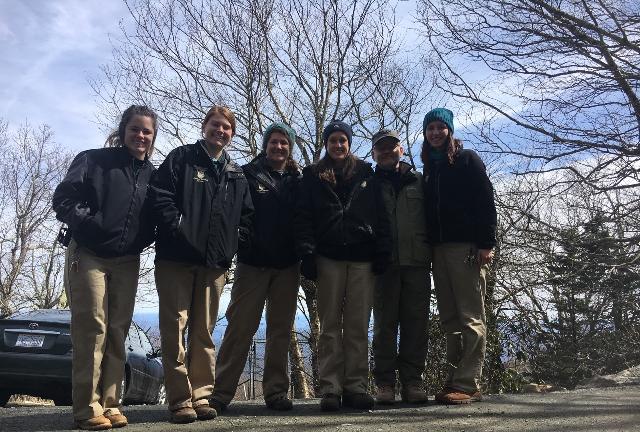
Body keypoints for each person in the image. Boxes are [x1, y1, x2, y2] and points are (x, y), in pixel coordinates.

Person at [52, 105, 158, 430]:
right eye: (135, 129)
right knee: (92, 327)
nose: (140, 135)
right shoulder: (93, 160)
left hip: (127, 260)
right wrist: (91, 225)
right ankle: (86, 408)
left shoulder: (151, 175)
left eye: (147, 131)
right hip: (88, 254)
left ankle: (111, 404)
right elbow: (63, 199)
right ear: (124, 130)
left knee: (117, 331)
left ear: (152, 137)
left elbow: (155, 217)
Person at [150, 105, 253, 423]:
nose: (220, 131)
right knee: (174, 328)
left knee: (204, 332)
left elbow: (246, 216)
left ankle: (201, 396)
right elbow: (159, 195)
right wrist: (178, 227)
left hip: (215, 264)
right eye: (215, 125)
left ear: (232, 134)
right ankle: (180, 400)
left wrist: (231, 246)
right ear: (204, 126)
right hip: (176, 260)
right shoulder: (181, 158)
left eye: (226, 127)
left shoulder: (235, 173)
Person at [295, 120, 391, 411]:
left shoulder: (366, 174)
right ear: (326, 144)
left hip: (362, 259)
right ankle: (330, 389)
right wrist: (307, 254)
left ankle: (357, 387)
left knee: (358, 326)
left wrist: (382, 250)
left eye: (343, 140)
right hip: (329, 258)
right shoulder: (312, 176)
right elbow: (303, 217)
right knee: (330, 327)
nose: (338, 145)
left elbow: (381, 215)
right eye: (333, 140)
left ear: (349, 143)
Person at [211, 122, 301, 412]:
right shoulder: (247, 174)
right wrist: (241, 244)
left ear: (290, 147)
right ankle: (221, 393)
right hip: (253, 264)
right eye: (274, 142)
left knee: (280, 331)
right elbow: (232, 214)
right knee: (240, 327)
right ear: (266, 144)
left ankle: (275, 392)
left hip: (288, 265)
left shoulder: (298, 179)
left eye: (284, 143)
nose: (278, 147)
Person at [421, 108, 497, 404]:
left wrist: (486, 243)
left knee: (470, 316)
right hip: (438, 251)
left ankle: (468, 383)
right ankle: (454, 380)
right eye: (431, 128)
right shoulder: (430, 167)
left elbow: (485, 200)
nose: (436, 132)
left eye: (441, 127)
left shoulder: (467, 160)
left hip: (466, 247)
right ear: (425, 134)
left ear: (450, 130)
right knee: (449, 318)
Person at [370, 129, 431, 405]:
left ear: (401, 150)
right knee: (384, 326)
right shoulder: (369, 184)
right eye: (380, 148)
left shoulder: (419, 181)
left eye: (391, 146)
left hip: (417, 263)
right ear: (373, 153)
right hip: (384, 265)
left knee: (416, 324)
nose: (386, 151)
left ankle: (413, 381)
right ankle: (384, 383)